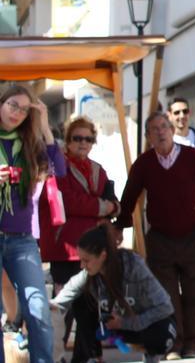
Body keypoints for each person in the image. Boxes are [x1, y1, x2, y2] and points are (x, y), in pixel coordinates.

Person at [116, 111, 195, 359]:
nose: (160, 132)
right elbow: (129, 196)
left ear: (172, 131)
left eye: (164, 126)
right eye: (154, 129)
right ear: (148, 136)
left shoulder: (193, 157)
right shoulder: (144, 163)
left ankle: (192, 343)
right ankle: (174, 342)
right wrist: (119, 225)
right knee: (166, 295)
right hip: (161, 239)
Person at [39, 116, 119, 362]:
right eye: (77, 138)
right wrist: (102, 207)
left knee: (91, 305)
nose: (83, 143)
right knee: (64, 306)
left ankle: (88, 355)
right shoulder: (58, 165)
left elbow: (114, 203)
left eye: (88, 139)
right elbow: (69, 201)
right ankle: (55, 354)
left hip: (93, 249)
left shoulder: (98, 169)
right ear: (69, 140)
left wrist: (111, 207)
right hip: (66, 248)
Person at [0, 84, 65, 363]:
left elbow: (58, 170)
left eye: (25, 110)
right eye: (13, 105)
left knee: (38, 309)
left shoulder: (29, 143)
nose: (18, 113)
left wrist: (45, 128)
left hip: (21, 237)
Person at [52, 224, 177, 363]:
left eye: (86, 261)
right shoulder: (89, 274)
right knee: (80, 300)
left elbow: (166, 307)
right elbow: (66, 293)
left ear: (103, 255)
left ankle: (152, 356)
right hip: (113, 326)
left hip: (143, 324)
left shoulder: (134, 267)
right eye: (80, 260)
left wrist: (124, 323)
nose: (82, 266)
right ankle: (93, 357)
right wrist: (50, 307)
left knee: (163, 334)